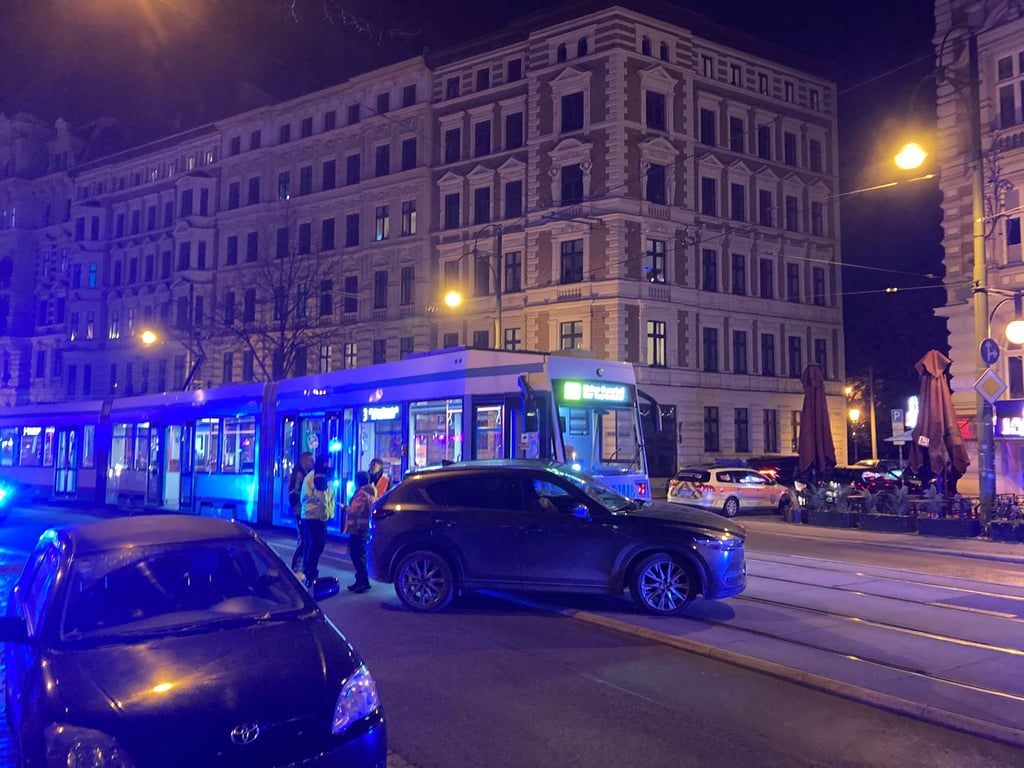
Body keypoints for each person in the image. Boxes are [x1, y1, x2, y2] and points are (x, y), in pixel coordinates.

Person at [301, 456, 336, 589]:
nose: (330, 466)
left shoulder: (313, 475)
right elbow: (322, 500)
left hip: (309, 516)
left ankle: (309, 573)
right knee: (317, 545)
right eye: (329, 463)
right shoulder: (319, 477)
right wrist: (325, 516)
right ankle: (311, 574)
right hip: (315, 517)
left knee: (312, 545)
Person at [344, 470, 377, 593]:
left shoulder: (361, 494)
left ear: (358, 481)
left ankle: (363, 581)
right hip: (363, 528)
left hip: (358, 528)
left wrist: (347, 508)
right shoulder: (370, 492)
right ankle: (360, 580)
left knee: (357, 555)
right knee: (359, 554)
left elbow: (354, 510)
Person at [288, 452, 314, 580]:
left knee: (305, 540)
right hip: (300, 511)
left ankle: (302, 567)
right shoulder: (298, 474)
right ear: (304, 461)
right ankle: (295, 568)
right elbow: (293, 493)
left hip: (303, 511)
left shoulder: (306, 473)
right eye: (310, 460)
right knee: (303, 540)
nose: (312, 463)